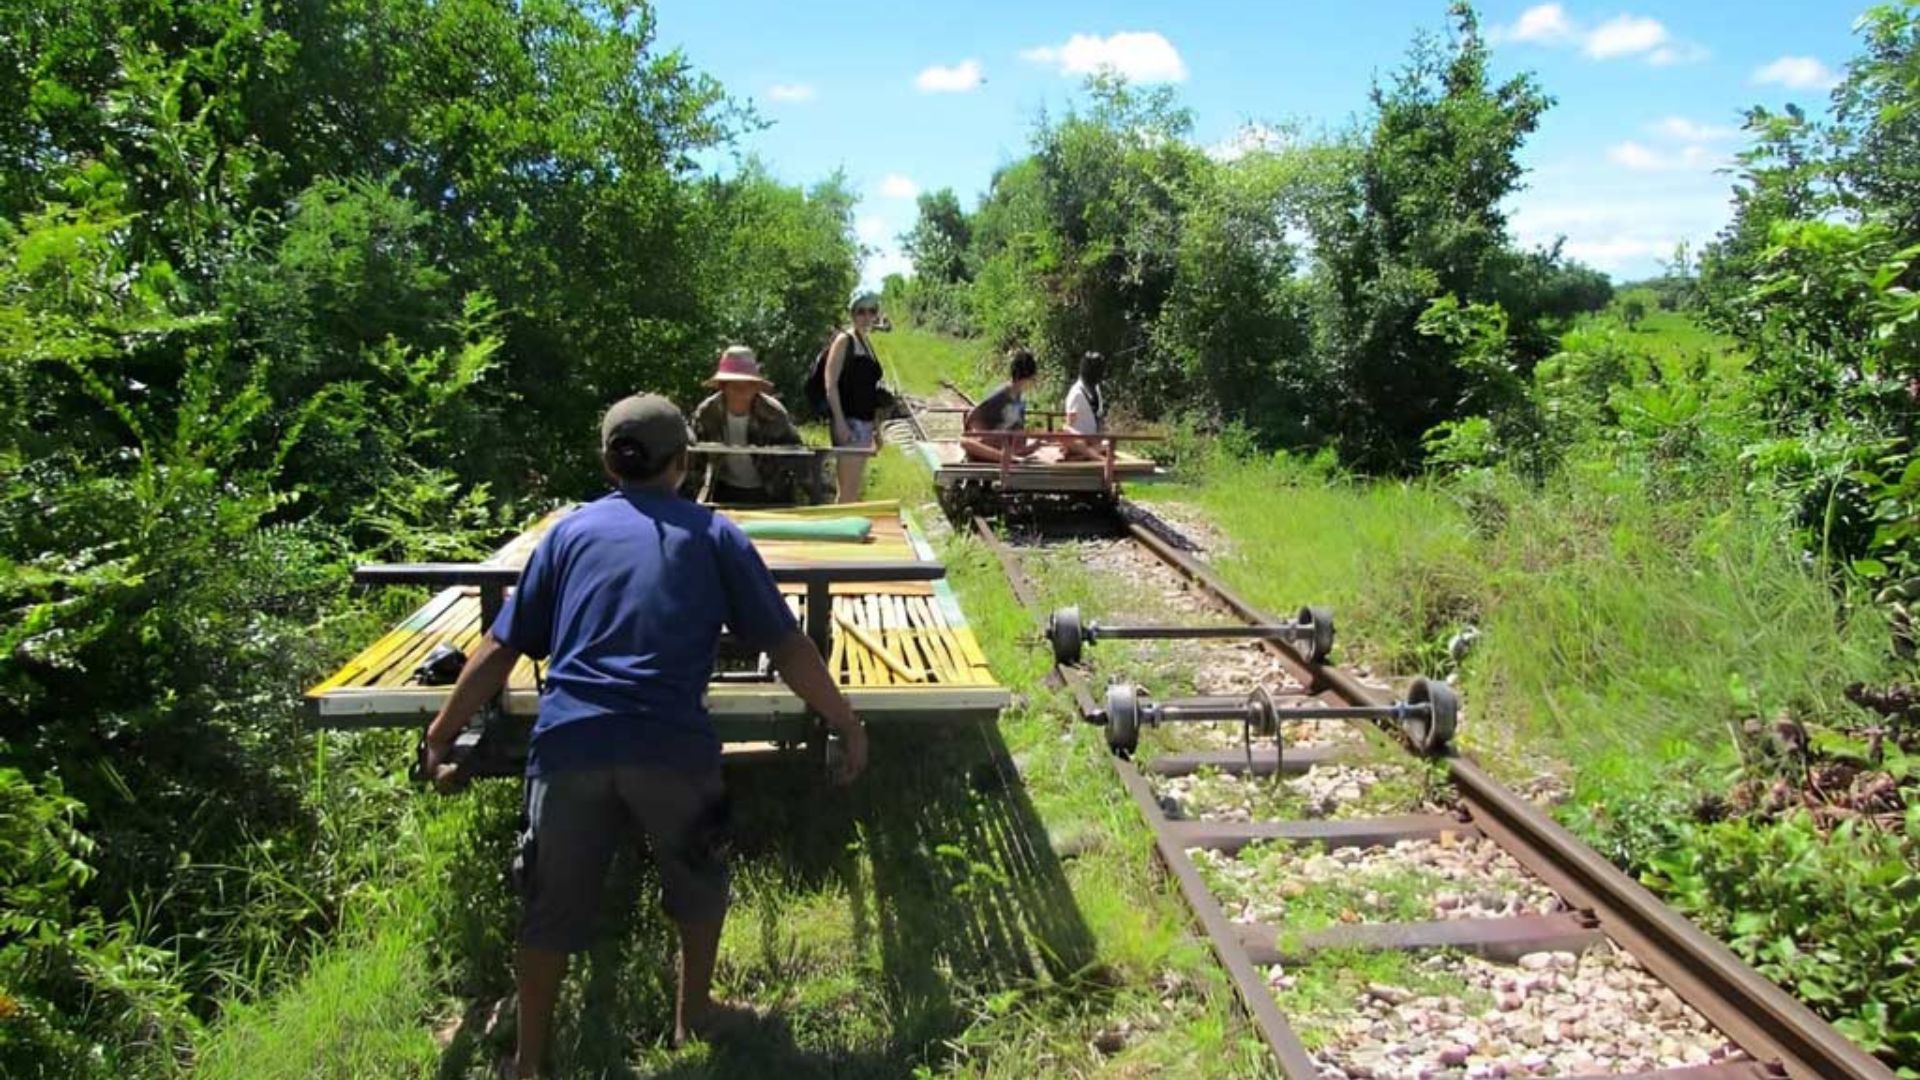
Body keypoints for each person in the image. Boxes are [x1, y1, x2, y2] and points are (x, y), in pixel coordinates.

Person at [421, 394, 868, 1077]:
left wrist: (442, 732)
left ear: (608, 462)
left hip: (568, 745)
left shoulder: (566, 536)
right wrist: (844, 720)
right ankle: (695, 1013)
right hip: (672, 748)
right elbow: (787, 646)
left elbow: (499, 647)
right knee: (700, 878)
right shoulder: (715, 535)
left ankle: (530, 1062)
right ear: (684, 464)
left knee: (547, 907)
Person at [685, 346, 804, 505]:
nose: (742, 392)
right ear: (723, 386)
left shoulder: (774, 413)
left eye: (748, 385)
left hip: (770, 493)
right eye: (735, 386)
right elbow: (693, 460)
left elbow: (797, 456)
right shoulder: (706, 413)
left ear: (756, 386)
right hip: (724, 490)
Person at [822, 293, 885, 502]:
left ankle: (843, 528)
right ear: (852, 313)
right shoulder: (844, 340)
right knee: (847, 491)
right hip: (850, 422)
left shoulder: (865, 342)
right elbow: (830, 383)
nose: (867, 316)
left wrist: (876, 428)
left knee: (853, 488)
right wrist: (840, 422)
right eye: (861, 311)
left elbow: (869, 390)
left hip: (864, 424)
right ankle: (839, 531)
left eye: (872, 311)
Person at [961, 349, 1040, 464]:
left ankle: (1012, 457)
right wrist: (985, 434)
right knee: (966, 442)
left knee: (1019, 441)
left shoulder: (1020, 398)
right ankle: (1011, 458)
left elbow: (1018, 427)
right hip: (994, 440)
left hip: (1008, 443)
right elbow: (973, 417)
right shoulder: (1002, 394)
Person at [1061, 351, 1107, 462]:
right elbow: (1068, 426)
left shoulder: (1096, 390)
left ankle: (1085, 455)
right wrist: (1084, 437)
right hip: (1079, 440)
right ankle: (1097, 457)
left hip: (1094, 441)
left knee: (1109, 443)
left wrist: (1099, 435)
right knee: (1072, 440)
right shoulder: (1076, 393)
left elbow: (1100, 419)